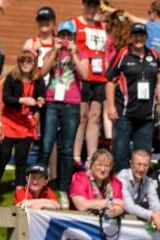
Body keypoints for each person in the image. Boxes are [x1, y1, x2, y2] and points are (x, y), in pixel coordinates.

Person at [41, 20, 89, 210]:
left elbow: (85, 75)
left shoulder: (81, 54)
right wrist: (54, 51)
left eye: (69, 35)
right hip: (52, 102)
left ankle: (64, 189)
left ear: (74, 37)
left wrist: (74, 53)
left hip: (71, 104)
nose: (65, 38)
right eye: (63, 35)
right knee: (46, 145)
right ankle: (41, 185)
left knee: (67, 149)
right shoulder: (52, 53)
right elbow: (42, 71)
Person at [106, 22, 160, 172]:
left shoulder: (154, 55)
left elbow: (159, 81)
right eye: (135, 35)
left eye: (141, 35)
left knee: (143, 157)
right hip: (124, 113)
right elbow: (110, 81)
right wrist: (111, 107)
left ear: (146, 37)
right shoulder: (123, 54)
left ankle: (140, 189)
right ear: (131, 37)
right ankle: (120, 186)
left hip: (146, 116)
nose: (138, 38)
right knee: (120, 153)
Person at [0, 47, 45, 202]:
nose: (25, 63)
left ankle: (19, 191)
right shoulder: (11, 77)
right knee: (4, 155)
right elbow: (7, 98)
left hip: (26, 124)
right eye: (23, 60)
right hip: (10, 122)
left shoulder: (38, 79)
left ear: (34, 63)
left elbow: (40, 96)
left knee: (22, 159)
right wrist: (23, 100)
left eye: (29, 60)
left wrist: (40, 101)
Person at [71, 0, 107, 166]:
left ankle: (91, 158)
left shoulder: (102, 26)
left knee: (95, 117)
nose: (90, 9)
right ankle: (76, 155)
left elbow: (119, 16)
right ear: (82, 5)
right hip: (82, 75)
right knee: (82, 117)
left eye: (94, 6)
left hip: (100, 77)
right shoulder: (75, 23)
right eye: (88, 5)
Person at [119, 149, 160, 229]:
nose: (141, 169)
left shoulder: (149, 181)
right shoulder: (122, 177)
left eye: (145, 165)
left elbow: (155, 204)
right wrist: (152, 215)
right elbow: (129, 207)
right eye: (138, 164)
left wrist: (158, 214)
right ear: (131, 164)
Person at [69, 148, 126, 217]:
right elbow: (81, 206)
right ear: (91, 165)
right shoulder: (79, 178)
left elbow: (121, 205)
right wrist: (108, 202)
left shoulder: (115, 182)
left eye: (106, 166)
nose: (102, 169)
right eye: (99, 165)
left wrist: (115, 210)